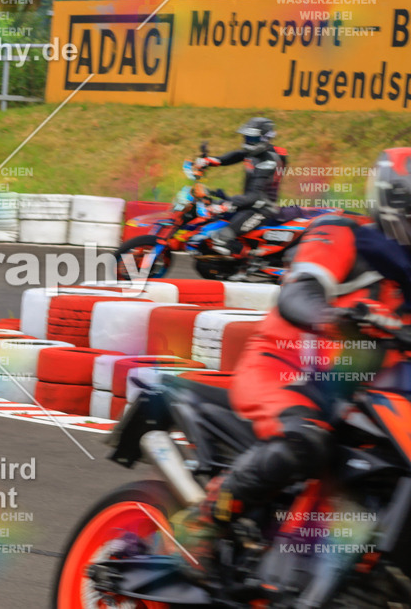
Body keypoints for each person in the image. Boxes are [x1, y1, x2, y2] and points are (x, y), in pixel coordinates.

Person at [173, 147, 411, 578]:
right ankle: (205, 520)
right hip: (285, 368)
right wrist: (331, 315)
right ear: (394, 203)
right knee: (308, 439)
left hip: (364, 397)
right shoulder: (342, 234)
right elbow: (297, 289)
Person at [194, 117, 288, 255]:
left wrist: (227, 204)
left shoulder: (268, 162)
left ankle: (244, 268)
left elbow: (254, 196)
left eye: (253, 139)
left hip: (261, 209)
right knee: (210, 220)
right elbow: (236, 155)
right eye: (247, 137)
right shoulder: (255, 153)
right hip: (247, 204)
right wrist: (210, 161)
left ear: (264, 139)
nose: (248, 142)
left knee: (222, 238)